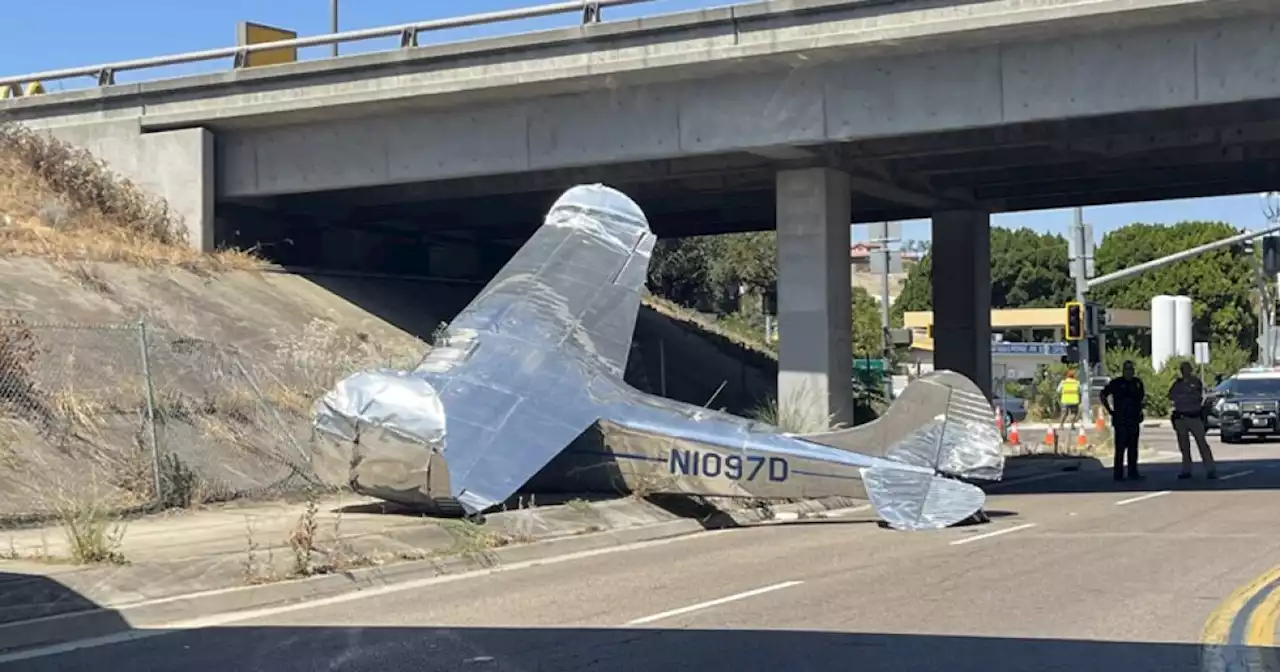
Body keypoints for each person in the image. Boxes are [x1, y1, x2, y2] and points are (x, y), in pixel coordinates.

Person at [1168, 361, 1217, 480]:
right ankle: (1186, 469)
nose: (1185, 371)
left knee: (1202, 443)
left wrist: (1183, 397)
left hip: (1194, 416)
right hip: (1181, 417)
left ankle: (1210, 469)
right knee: (1184, 446)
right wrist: (1184, 396)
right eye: (1183, 369)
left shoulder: (1195, 382)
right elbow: (1171, 396)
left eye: (1187, 369)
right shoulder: (1177, 384)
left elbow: (1197, 396)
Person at [1100, 360, 1146, 481]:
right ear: (1123, 371)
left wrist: (1140, 410)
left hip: (1134, 419)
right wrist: (1110, 410)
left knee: (1133, 448)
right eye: (1127, 369)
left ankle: (1133, 472)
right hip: (1120, 420)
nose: (1129, 372)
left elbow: (1141, 399)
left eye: (1131, 369)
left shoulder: (1137, 383)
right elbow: (1103, 394)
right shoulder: (1116, 383)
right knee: (1120, 448)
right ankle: (1118, 473)